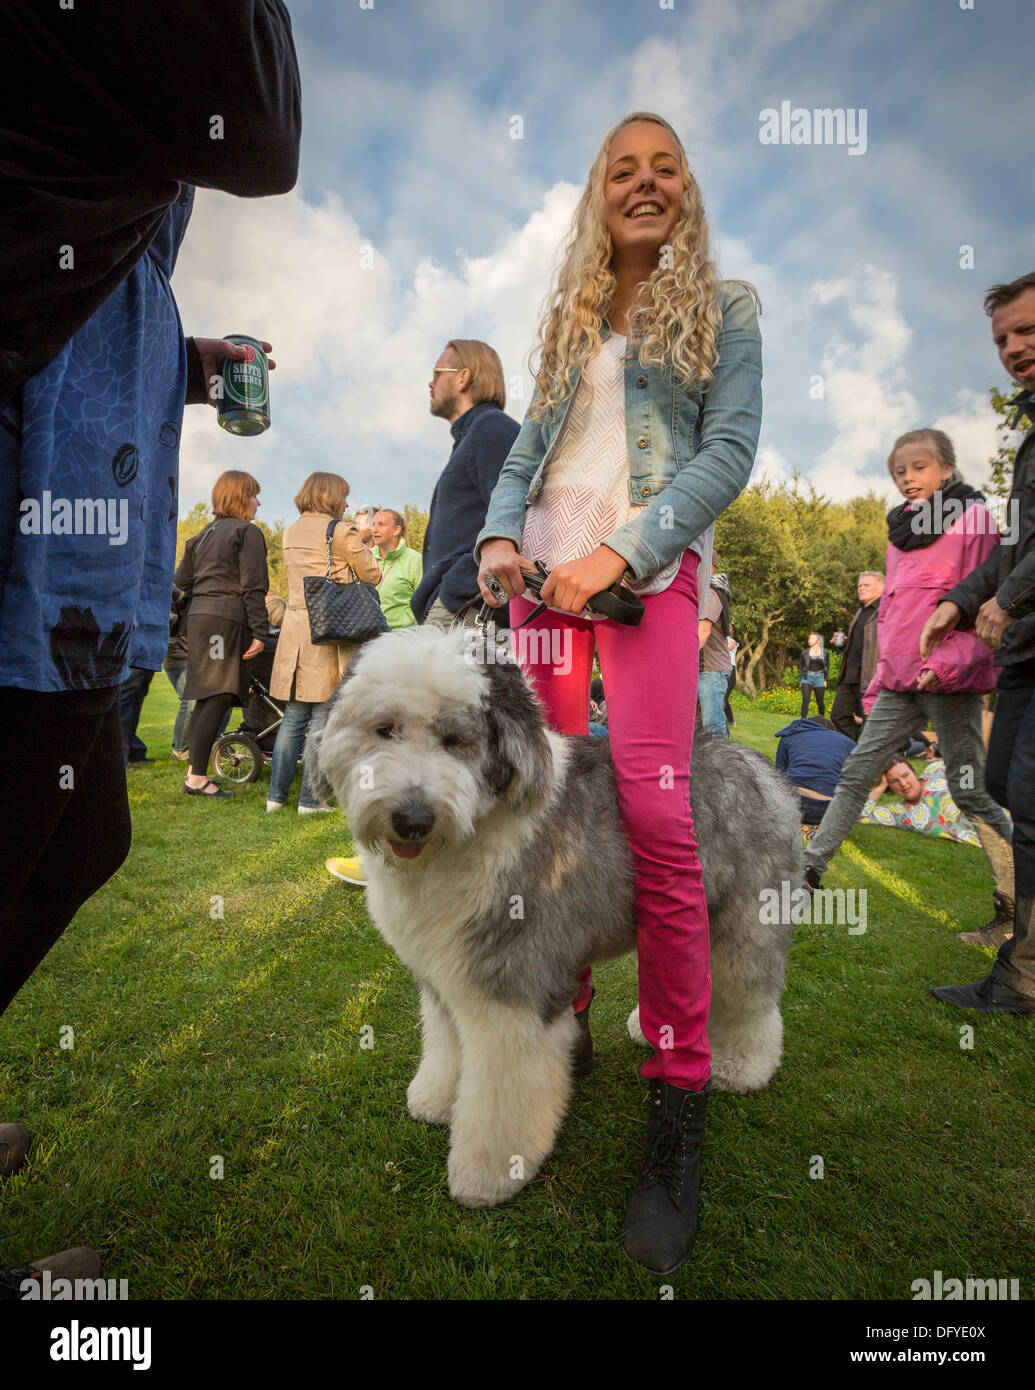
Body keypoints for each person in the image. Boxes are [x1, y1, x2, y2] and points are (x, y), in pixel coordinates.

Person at [0, 0, 299, 1289]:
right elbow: (265, 126)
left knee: (81, 832)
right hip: (37, 489)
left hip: (81, 448)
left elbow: (59, 235)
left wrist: (188, 359)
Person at [475, 112, 762, 1273]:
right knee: (536, 823)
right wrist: (502, 540)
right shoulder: (571, 318)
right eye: (621, 173)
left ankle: (678, 1098)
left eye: (664, 170)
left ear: (688, 190)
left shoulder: (727, 305)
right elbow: (525, 451)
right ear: (600, 197)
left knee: (655, 819)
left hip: (646, 580)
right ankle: (566, 1027)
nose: (643, 186)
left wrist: (629, 548)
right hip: (541, 587)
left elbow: (730, 449)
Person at [803, 429, 1015, 944]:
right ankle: (807, 874)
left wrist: (943, 664)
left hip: (952, 682)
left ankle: (1016, 906)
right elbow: (894, 618)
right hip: (899, 680)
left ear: (946, 469)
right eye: (899, 470)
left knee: (969, 790)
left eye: (919, 467)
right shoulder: (899, 537)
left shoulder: (976, 520)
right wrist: (880, 680)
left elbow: (988, 600)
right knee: (857, 773)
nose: (907, 478)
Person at [922, 272, 1035, 1012]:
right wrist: (961, 601)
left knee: (1026, 796)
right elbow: (1014, 541)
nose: (1012, 348)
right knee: (1001, 786)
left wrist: (1007, 596)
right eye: (1001, 338)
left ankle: (1022, 975)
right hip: (1021, 650)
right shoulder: (1029, 438)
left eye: (1025, 331)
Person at [267, 472, 380, 813]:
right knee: (322, 715)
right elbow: (372, 573)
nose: (346, 503)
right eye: (344, 497)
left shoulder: (290, 530)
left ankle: (275, 797)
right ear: (331, 496)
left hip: (296, 627)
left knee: (293, 715)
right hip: (330, 629)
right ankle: (311, 799)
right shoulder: (341, 530)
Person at [175, 472, 272, 799]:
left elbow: (180, 580)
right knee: (217, 695)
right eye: (255, 496)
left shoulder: (203, 534)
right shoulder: (247, 532)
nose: (258, 502)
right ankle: (198, 779)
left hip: (199, 619)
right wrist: (260, 630)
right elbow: (254, 586)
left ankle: (194, 773)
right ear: (240, 497)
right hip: (225, 620)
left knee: (207, 696)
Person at [411, 341, 520, 629]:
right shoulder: (474, 435)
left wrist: (456, 588)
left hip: (467, 606)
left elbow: (523, 514)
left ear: (463, 377)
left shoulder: (491, 428)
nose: (430, 383)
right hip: (460, 604)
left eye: (438, 373)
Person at [774, 714, 857, 843]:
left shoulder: (790, 734)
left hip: (792, 804)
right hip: (828, 809)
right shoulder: (848, 743)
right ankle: (817, 829)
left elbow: (778, 775)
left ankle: (793, 827)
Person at [830, 572, 884, 740]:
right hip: (850, 676)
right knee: (838, 715)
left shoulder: (885, 611)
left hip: (870, 676)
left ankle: (866, 757)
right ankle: (856, 750)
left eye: (866, 585)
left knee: (870, 722)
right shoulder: (860, 612)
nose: (861, 588)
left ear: (881, 587)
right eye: (860, 585)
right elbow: (861, 644)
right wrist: (844, 644)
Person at [372, 509, 423, 630]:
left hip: (402, 637)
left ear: (396, 530)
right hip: (369, 635)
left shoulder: (415, 560)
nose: (374, 529)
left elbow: (424, 603)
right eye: (373, 524)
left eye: (381, 524)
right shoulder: (365, 557)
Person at [697, 570, 733, 739]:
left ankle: (722, 765)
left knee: (713, 728)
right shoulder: (711, 592)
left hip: (712, 670)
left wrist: (682, 661)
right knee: (704, 723)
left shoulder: (710, 593)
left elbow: (703, 632)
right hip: (708, 668)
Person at [798, 632, 829, 718]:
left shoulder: (825, 652)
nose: (809, 640)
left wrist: (825, 679)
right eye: (809, 638)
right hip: (807, 678)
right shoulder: (805, 652)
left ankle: (822, 720)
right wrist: (801, 679)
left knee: (820, 702)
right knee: (805, 701)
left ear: (818, 640)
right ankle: (803, 722)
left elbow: (827, 667)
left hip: (820, 678)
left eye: (812, 638)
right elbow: (801, 667)